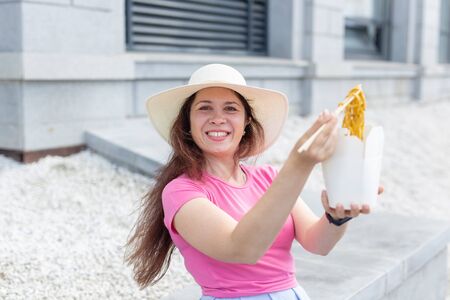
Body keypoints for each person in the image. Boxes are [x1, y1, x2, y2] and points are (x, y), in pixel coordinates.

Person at [125, 64, 382, 300]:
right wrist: (299, 163)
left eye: (231, 108)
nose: (218, 118)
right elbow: (241, 249)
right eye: (204, 108)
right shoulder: (181, 191)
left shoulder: (268, 178)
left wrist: (337, 216)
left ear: (246, 121)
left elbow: (318, 243)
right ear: (187, 124)